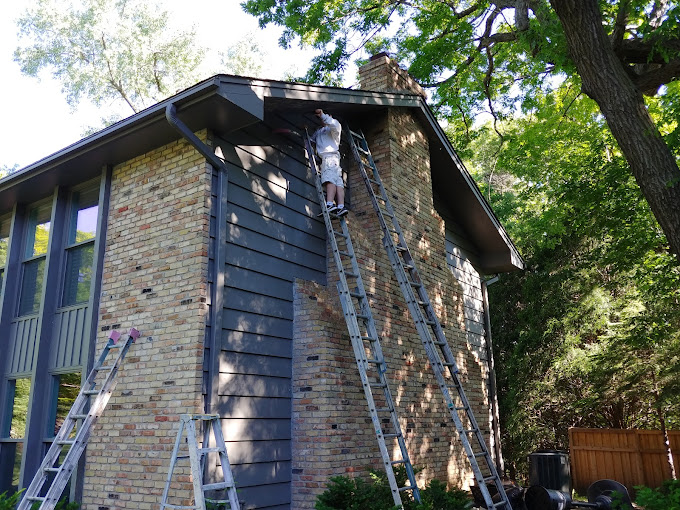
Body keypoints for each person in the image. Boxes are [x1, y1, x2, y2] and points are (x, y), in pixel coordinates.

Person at [311, 109, 348, 217]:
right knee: (337, 182)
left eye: (324, 117)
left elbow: (333, 123)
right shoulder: (319, 131)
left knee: (329, 179)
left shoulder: (334, 128)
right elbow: (312, 140)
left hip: (330, 157)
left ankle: (329, 204)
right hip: (332, 159)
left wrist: (323, 115)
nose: (322, 120)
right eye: (319, 118)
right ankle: (341, 207)